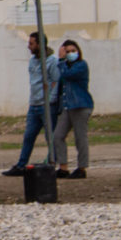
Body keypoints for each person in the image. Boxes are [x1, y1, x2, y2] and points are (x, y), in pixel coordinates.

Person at [2, 32, 60, 177]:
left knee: (50, 137)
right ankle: (21, 165)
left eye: (31, 43)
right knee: (28, 137)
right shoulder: (33, 61)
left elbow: (56, 81)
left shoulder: (52, 61)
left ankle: (52, 164)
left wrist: (50, 100)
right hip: (34, 105)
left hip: (46, 106)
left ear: (40, 44)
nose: (29, 46)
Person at [53, 39, 94, 179]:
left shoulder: (81, 65)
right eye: (68, 51)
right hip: (67, 106)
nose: (70, 54)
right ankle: (63, 167)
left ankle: (82, 168)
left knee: (80, 138)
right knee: (58, 136)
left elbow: (67, 75)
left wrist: (61, 60)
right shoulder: (64, 65)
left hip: (80, 105)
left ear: (78, 52)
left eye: (73, 51)